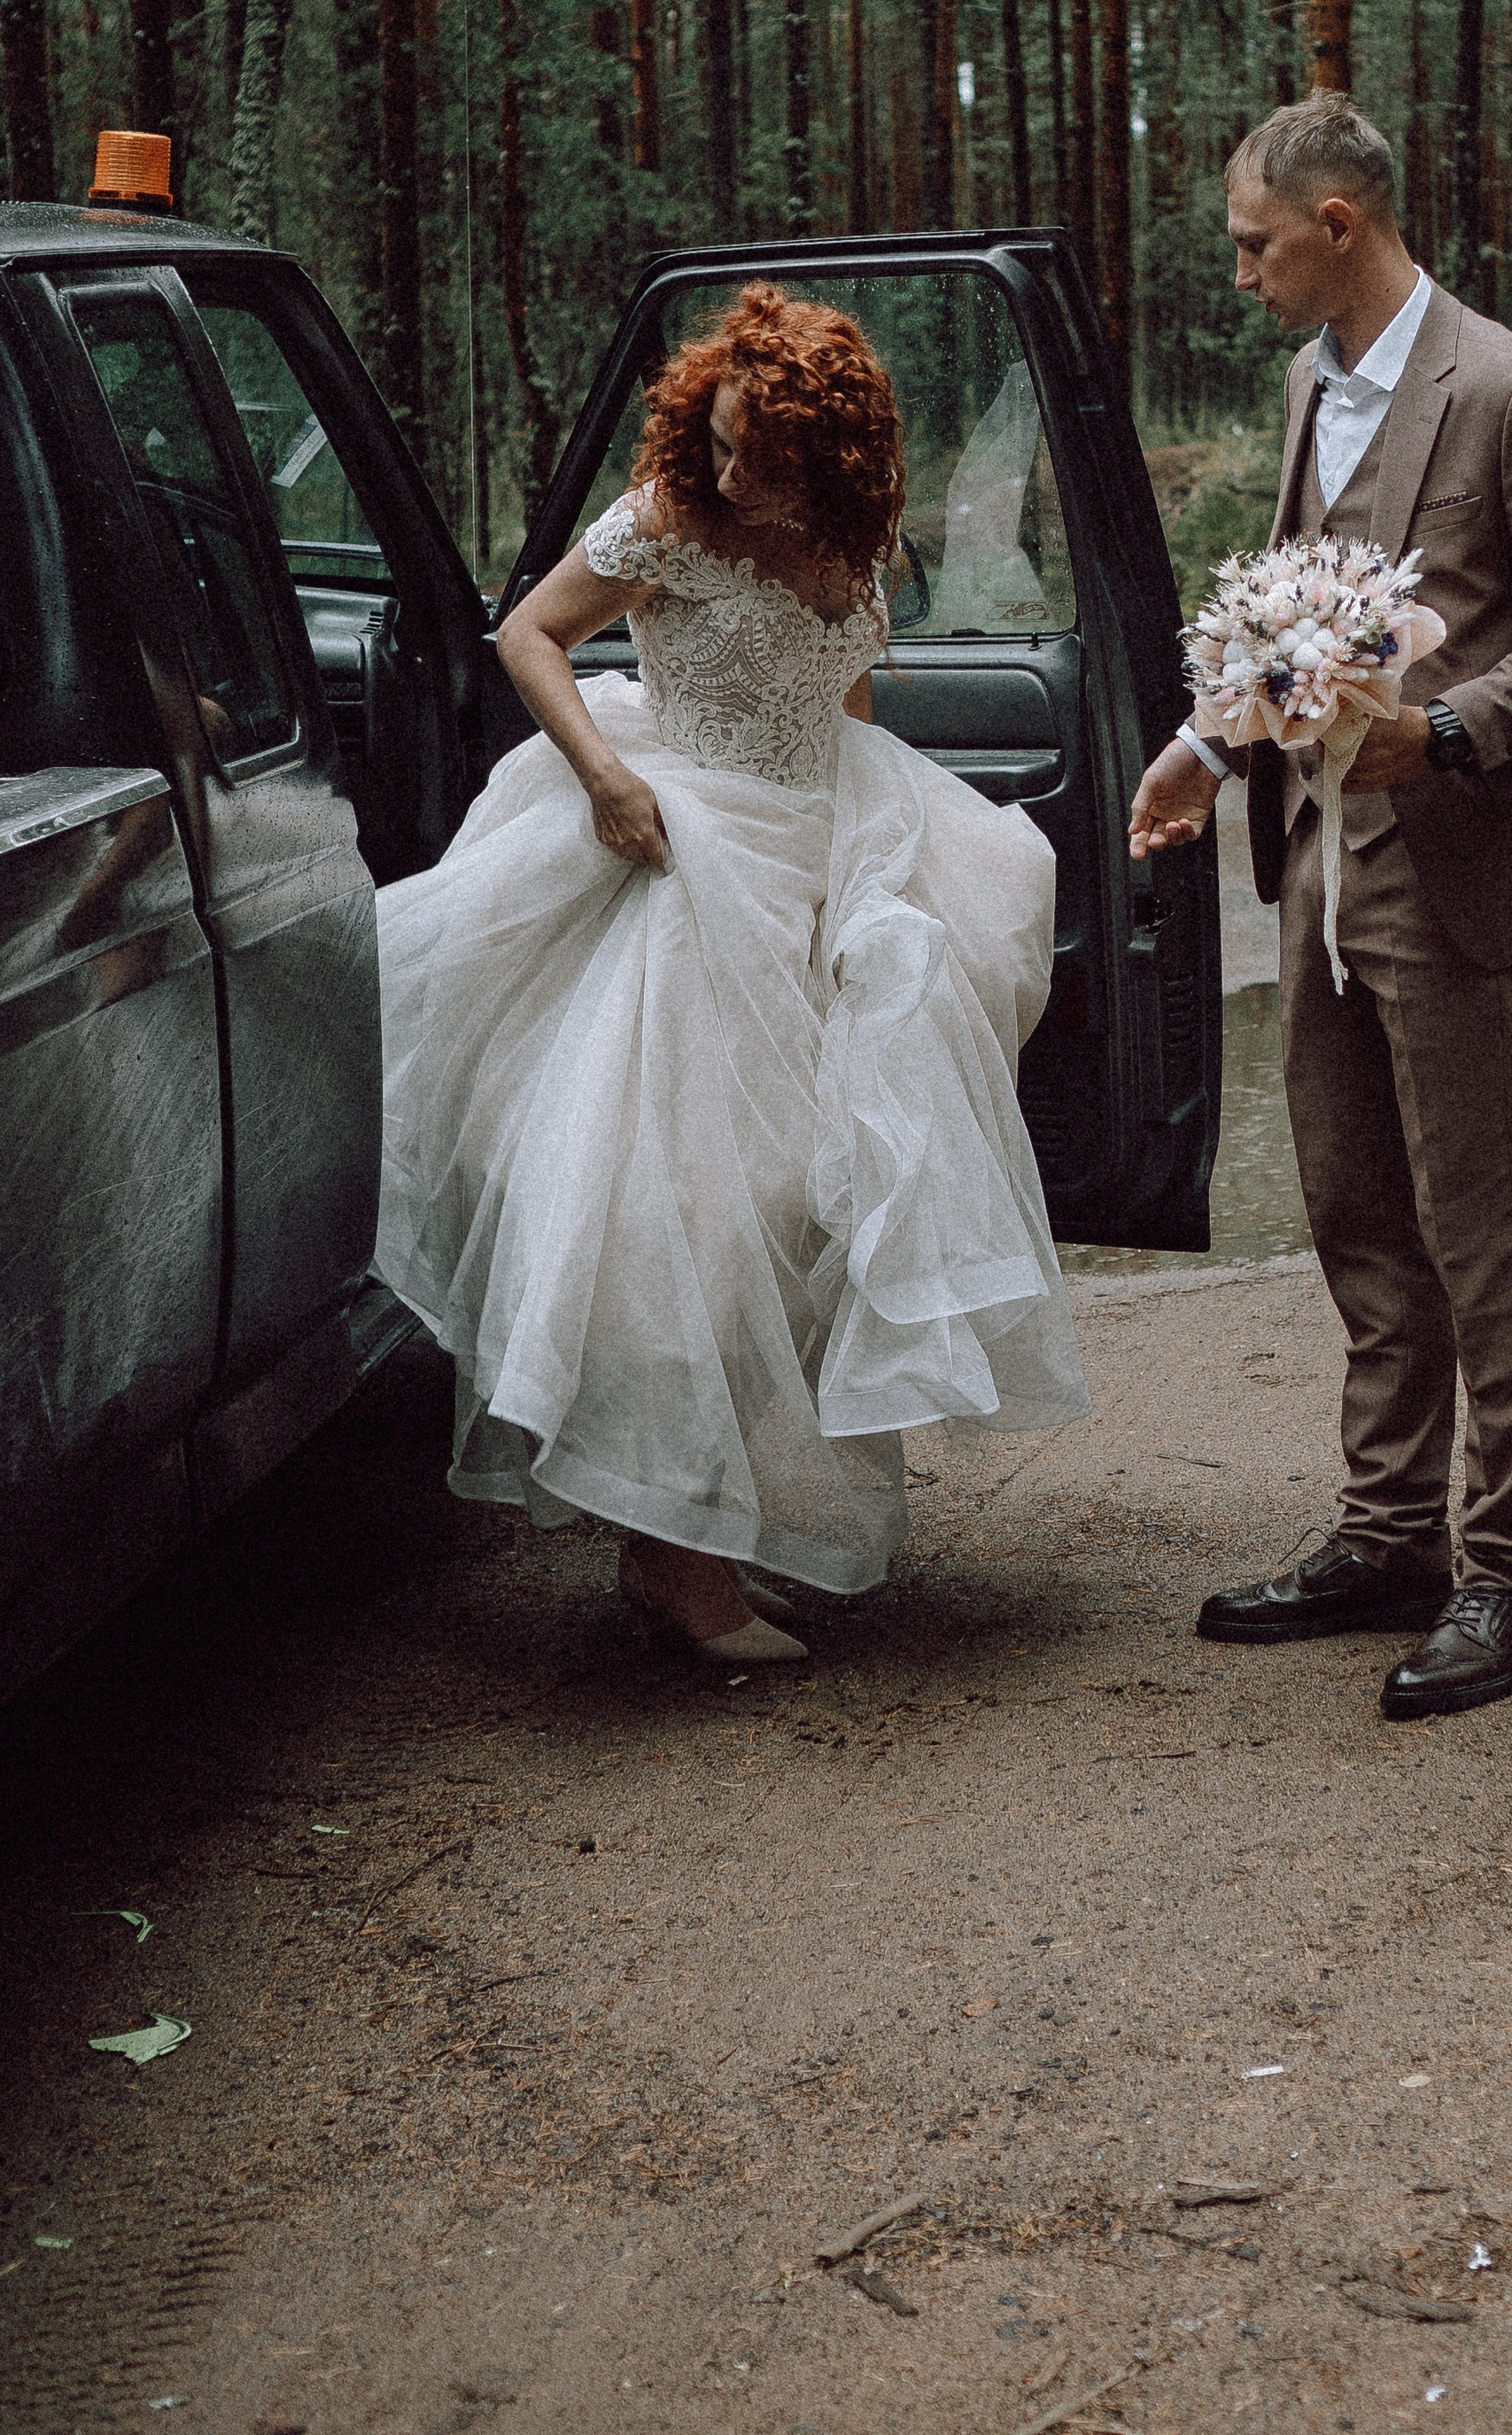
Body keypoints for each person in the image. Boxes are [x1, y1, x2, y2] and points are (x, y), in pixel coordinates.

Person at [376, 282, 1087, 1665]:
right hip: (681, 852)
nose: (719, 465)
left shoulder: (851, 539)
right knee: (690, 1214)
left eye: (748, 446)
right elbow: (528, 635)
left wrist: (865, 854)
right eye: (706, 436)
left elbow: (847, 699)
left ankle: (714, 1527)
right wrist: (605, 778)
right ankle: (672, 1559)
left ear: (824, 452)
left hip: (823, 847)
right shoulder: (666, 526)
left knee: (816, 1204)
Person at [1128, 96, 1512, 1719]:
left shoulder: (1505, 389)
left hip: (1453, 866)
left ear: (1340, 224)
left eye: (1256, 242)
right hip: (1318, 865)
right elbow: (1298, 621)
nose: (1244, 274)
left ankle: (1510, 1573)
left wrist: (1459, 727)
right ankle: (1387, 1535)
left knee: (1476, 1226)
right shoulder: (1306, 384)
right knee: (1354, 1207)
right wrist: (1209, 744)